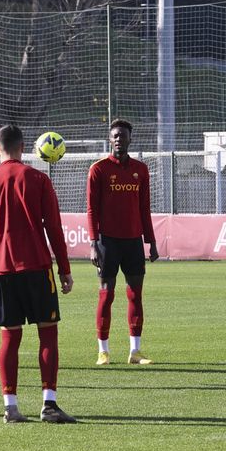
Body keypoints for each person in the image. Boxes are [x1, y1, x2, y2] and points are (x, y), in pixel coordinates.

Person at [0, 125, 75, 423]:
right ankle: (49, 404)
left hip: (2, 270)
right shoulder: (38, 179)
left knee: (9, 339)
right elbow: (54, 228)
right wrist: (64, 269)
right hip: (38, 268)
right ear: (24, 147)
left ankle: (10, 406)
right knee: (48, 335)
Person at [86, 120, 159, 366]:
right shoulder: (99, 169)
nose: (119, 139)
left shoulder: (141, 169)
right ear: (110, 139)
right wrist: (93, 242)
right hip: (107, 242)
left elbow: (144, 208)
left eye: (123, 136)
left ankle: (135, 351)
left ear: (130, 139)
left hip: (133, 242)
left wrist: (151, 241)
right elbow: (91, 209)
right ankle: (103, 351)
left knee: (135, 295)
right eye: (115, 136)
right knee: (106, 295)